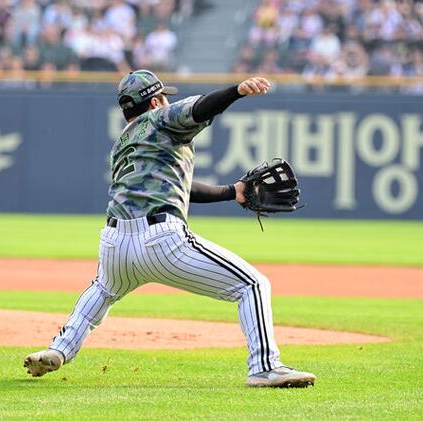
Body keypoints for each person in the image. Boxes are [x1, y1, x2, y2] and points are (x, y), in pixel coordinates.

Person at [23, 70, 316, 388]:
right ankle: (264, 367)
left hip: (115, 244)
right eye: (164, 96)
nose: (167, 101)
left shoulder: (123, 144)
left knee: (104, 290)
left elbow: (179, 187)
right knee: (253, 285)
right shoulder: (161, 117)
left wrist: (233, 192)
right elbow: (200, 108)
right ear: (154, 101)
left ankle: (59, 349)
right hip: (161, 239)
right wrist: (237, 91)